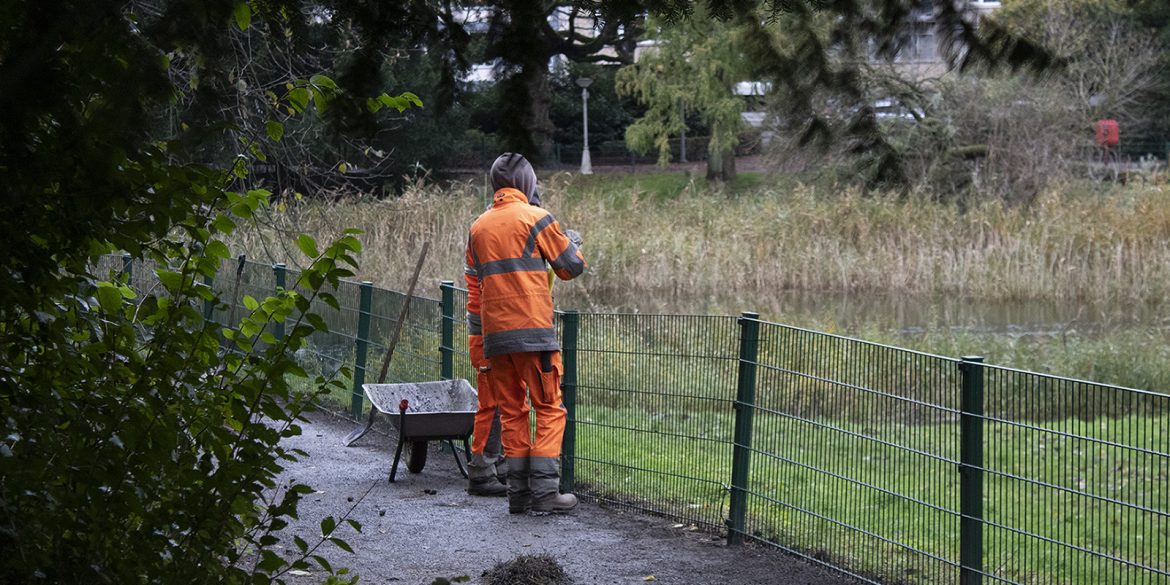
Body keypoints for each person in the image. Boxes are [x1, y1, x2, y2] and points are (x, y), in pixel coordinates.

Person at [464, 152, 586, 515]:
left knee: (513, 411)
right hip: (534, 333)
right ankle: (547, 494)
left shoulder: (478, 227)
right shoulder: (537, 218)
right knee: (549, 407)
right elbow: (571, 268)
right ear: (527, 184)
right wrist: (572, 243)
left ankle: (518, 495)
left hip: (495, 338)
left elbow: (477, 285)